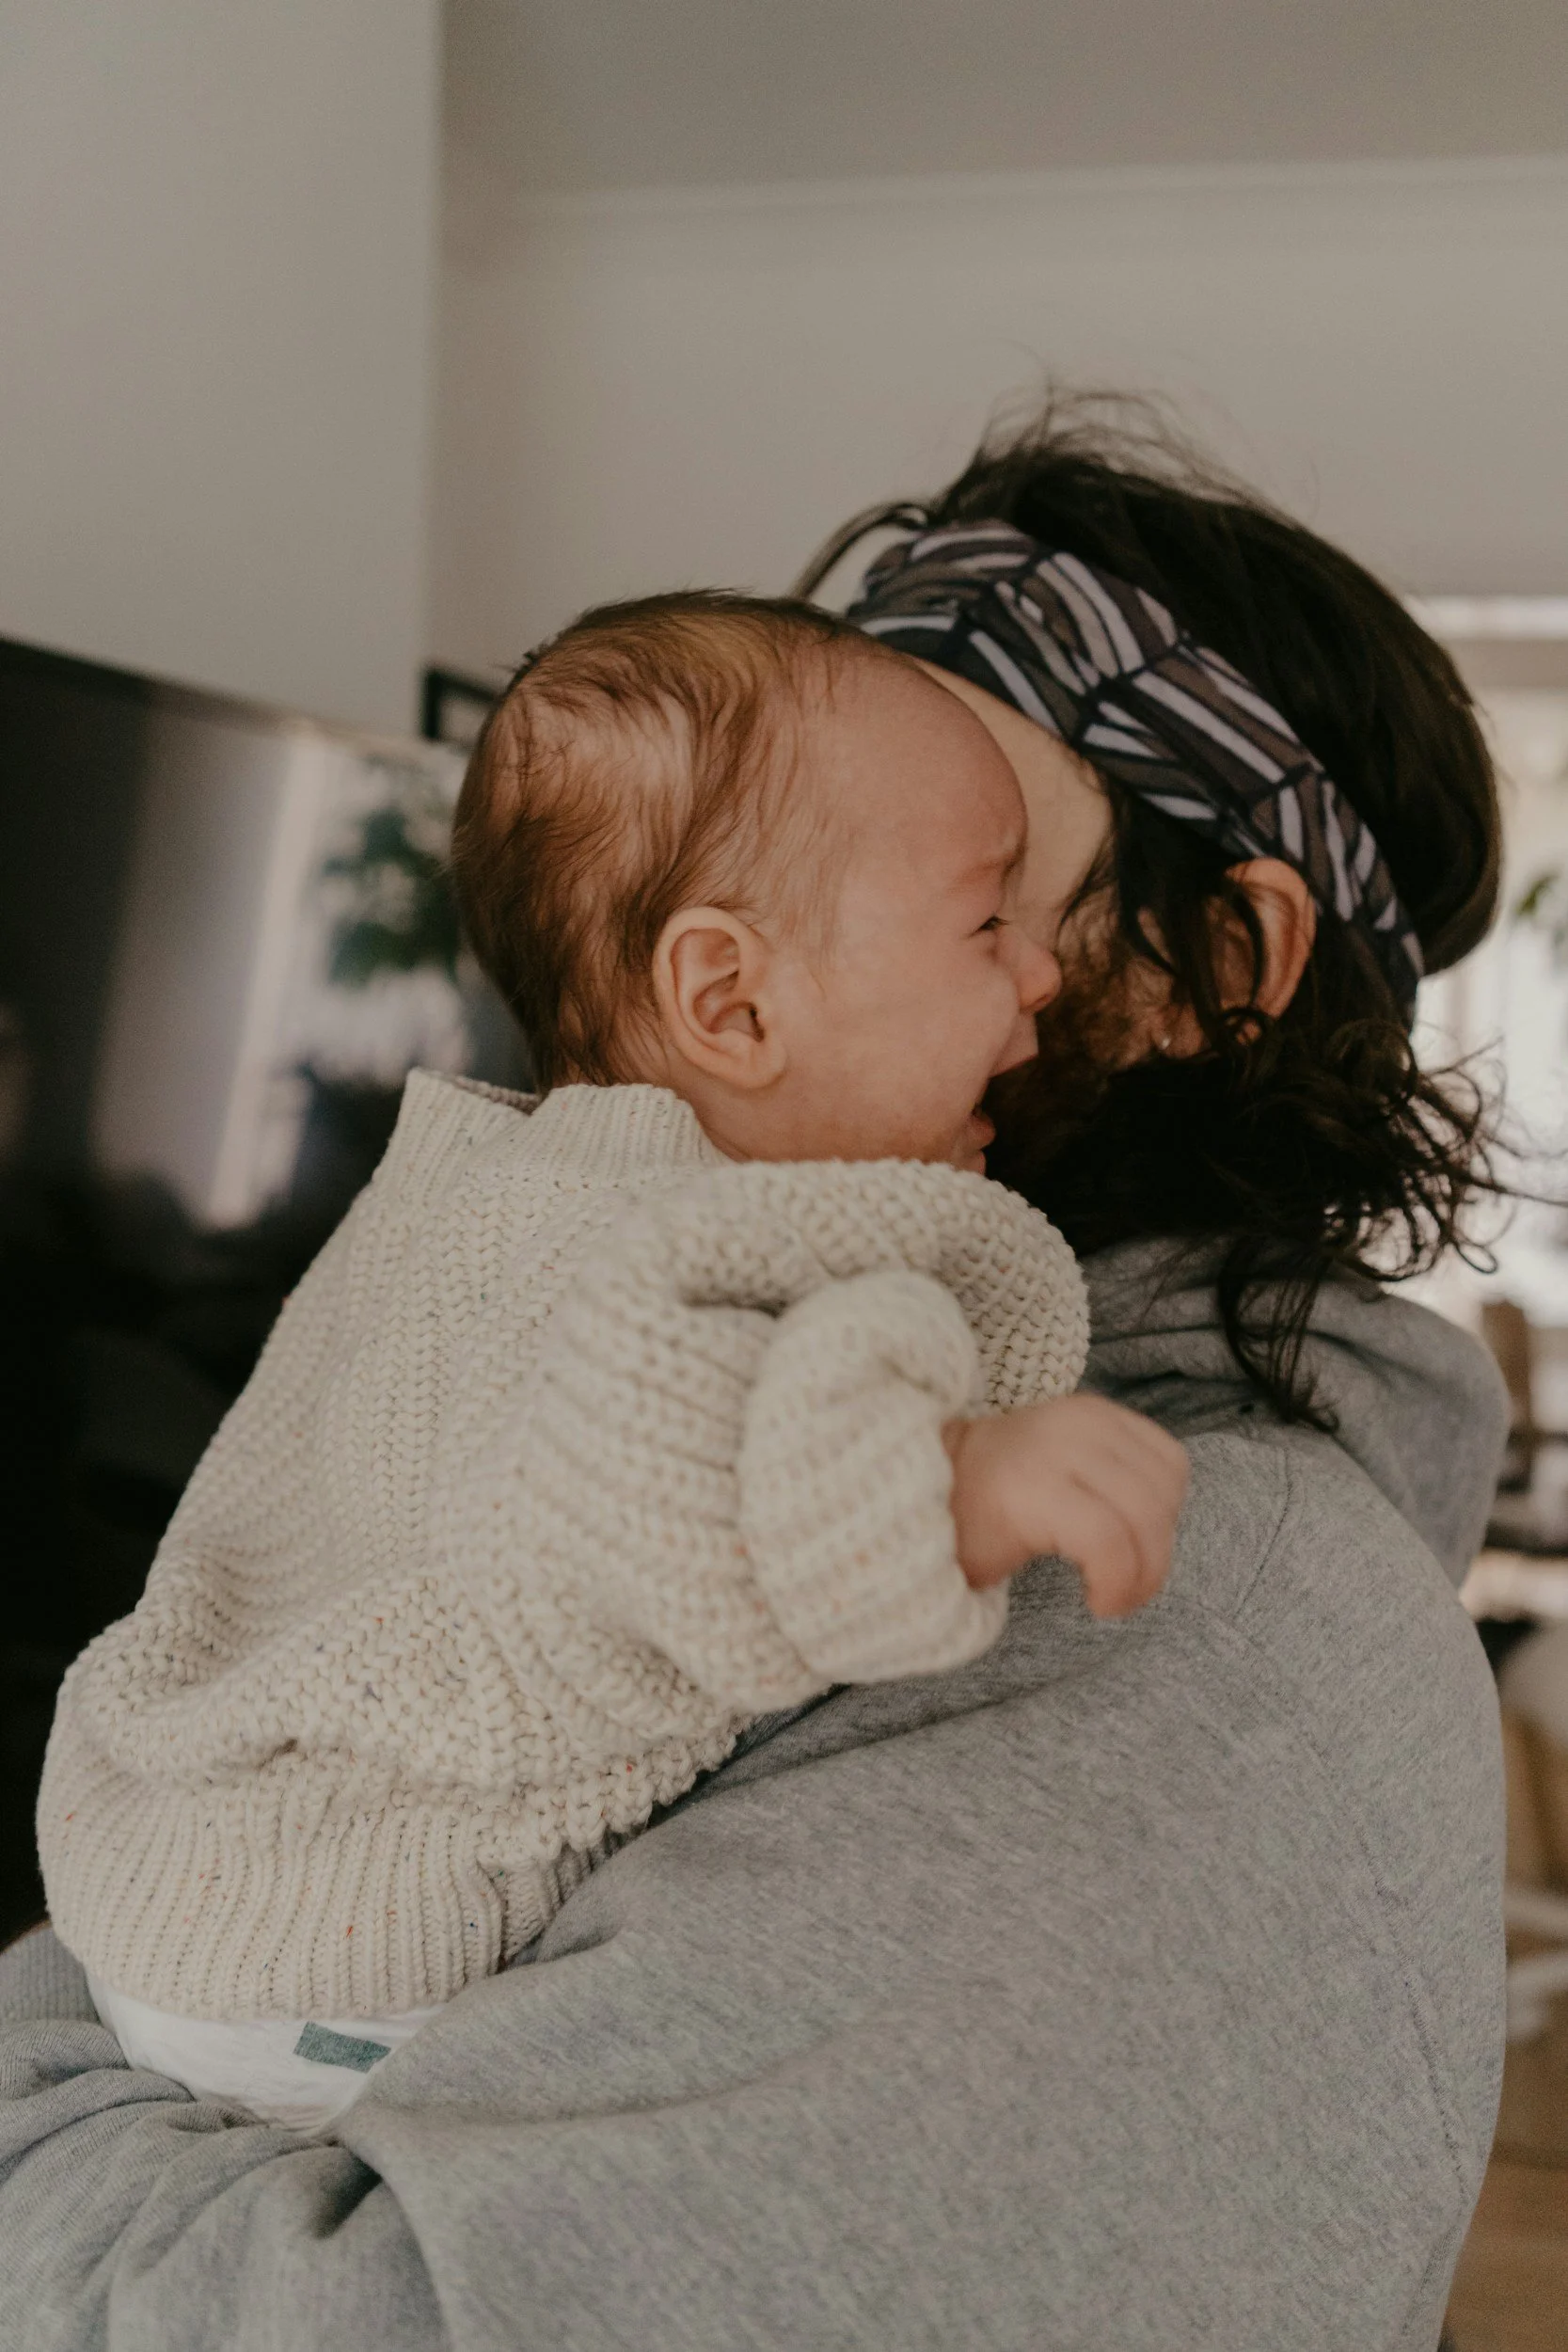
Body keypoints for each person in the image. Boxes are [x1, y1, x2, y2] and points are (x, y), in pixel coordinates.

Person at [0, 402, 1510, 2350]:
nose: (748, 952)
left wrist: (53, 2042)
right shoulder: (645, 1284)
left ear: (1206, 962)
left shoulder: (1169, 1592)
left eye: (968, 869)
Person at [36, 593, 1183, 2134]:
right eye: (986, 923)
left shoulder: (502, 1190)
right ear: (731, 999)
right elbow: (648, 1478)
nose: (1039, 975)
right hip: (349, 1963)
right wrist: (952, 1483)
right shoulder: (639, 1246)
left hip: (189, 1901)